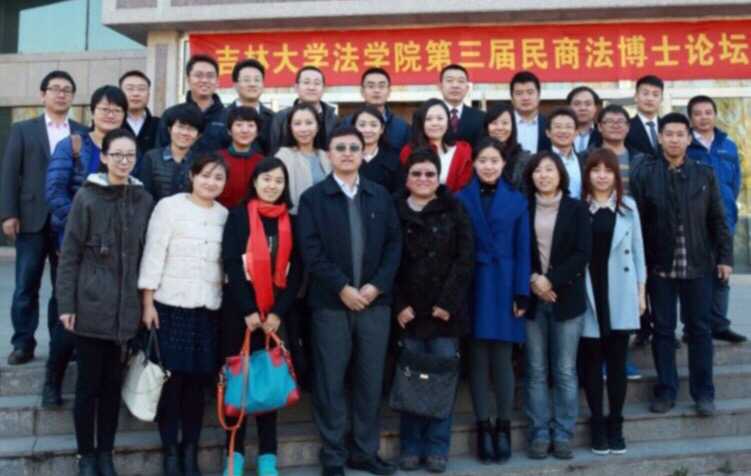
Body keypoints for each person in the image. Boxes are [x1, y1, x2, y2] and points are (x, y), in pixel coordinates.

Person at [297, 127, 402, 476]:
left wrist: (377, 285)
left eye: (353, 148)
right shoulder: (314, 198)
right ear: (328, 154)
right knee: (330, 381)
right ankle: (333, 454)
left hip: (374, 304)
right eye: (339, 148)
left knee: (370, 380)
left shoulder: (379, 195)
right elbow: (310, 249)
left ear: (362, 153)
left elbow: (394, 245)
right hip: (331, 303)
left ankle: (364, 451)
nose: (346, 153)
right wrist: (342, 286)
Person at [55, 128, 153, 476]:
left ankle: (105, 453)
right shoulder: (87, 197)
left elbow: (148, 254)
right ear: (105, 157)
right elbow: (70, 255)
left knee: (112, 387)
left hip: (126, 311)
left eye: (130, 155)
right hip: (91, 304)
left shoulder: (143, 199)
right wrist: (66, 304)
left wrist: (145, 304)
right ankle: (86, 455)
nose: (124, 161)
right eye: (117, 155)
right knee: (87, 387)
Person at [630, 113, 733, 418]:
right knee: (663, 331)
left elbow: (718, 219)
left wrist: (725, 258)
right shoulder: (646, 174)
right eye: (669, 134)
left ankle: (704, 393)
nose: (674, 139)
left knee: (700, 329)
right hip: (660, 267)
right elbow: (639, 225)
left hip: (698, 265)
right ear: (660, 138)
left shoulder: (704, 174)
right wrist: (640, 267)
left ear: (689, 139)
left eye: (680, 134)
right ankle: (666, 391)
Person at [138, 153, 229, 476]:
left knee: (196, 385)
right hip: (170, 307)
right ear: (192, 176)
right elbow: (154, 253)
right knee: (171, 383)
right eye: (205, 175)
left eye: (218, 178)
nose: (211, 183)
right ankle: (170, 452)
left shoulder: (224, 215)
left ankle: (190, 451)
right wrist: (147, 302)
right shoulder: (169, 207)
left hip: (207, 310)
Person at [44, 85, 128, 406]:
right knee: (69, 312)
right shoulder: (74, 145)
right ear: (92, 112)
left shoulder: (125, 148)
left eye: (116, 110)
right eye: (104, 108)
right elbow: (54, 192)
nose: (110, 114)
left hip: (114, 250)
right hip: (76, 244)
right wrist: (81, 227)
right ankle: (53, 378)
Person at [221, 157, 303, 476]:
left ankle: (268, 459)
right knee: (239, 387)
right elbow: (231, 263)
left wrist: (277, 313)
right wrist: (249, 310)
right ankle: (234, 457)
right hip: (240, 315)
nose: (272, 185)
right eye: (266, 179)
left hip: (276, 317)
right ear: (254, 182)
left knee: (270, 386)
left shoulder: (291, 221)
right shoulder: (238, 216)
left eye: (279, 181)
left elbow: (296, 271)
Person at [394, 148, 474, 473]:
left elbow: (465, 258)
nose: (423, 179)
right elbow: (387, 261)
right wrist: (399, 304)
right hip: (409, 315)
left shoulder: (454, 208)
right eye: (416, 173)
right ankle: (411, 446)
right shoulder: (395, 210)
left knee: (441, 383)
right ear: (407, 178)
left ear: (438, 177)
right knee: (411, 383)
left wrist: (447, 303)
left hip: (445, 315)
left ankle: (438, 447)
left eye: (429, 173)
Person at [1, 71, 85, 369]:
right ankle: (23, 343)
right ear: (43, 94)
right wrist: (8, 213)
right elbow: (10, 172)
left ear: (73, 97)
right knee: (26, 285)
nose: (61, 94)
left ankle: (61, 344)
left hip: (68, 222)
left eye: (67, 90)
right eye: (55, 89)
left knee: (64, 287)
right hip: (31, 218)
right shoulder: (23, 130)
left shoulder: (82, 132)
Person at [456, 137, 530, 464]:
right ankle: (483, 426)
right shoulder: (460, 198)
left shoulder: (517, 200)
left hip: (504, 284)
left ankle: (503, 426)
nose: (488, 166)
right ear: (474, 163)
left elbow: (523, 249)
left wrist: (521, 292)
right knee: (476, 359)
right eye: (483, 160)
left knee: (502, 358)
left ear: (503, 164)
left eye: (494, 161)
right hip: (472, 284)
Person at [523, 151, 591, 461]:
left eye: (549, 169)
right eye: (538, 170)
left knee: (564, 370)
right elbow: (517, 250)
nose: (543, 175)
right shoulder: (523, 208)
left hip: (568, 299)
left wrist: (551, 280)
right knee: (536, 370)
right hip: (533, 299)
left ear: (560, 174)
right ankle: (539, 432)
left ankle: (563, 433)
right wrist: (534, 280)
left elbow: (582, 253)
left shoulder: (577, 209)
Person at [579, 148, 646, 456]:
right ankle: (597, 424)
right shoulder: (578, 208)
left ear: (616, 175)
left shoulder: (629, 207)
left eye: (608, 170)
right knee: (592, 362)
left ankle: (616, 424)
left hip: (620, 291)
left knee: (617, 364)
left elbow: (639, 252)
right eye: (596, 170)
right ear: (588, 174)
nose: (602, 176)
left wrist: (641, 293)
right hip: (588, 292)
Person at [687, 95, 746, 344]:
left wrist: (728, 206)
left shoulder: (727, 145)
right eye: (698, 113)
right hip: (695, 222)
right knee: (695, 277)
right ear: (691, 118)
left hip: (724, 219)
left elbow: (735, 182)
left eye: (708, 112)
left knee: (722, 273)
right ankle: (693, 327)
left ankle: (719, 324)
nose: (703, 117)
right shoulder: (686, 145)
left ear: (715, 115)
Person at [158, 54, 227, 154]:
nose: (204, 80)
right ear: (188, 79)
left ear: (217, 81)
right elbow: (161, 152)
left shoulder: (228, 116)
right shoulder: (171, 114)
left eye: (210, 76)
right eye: (198, 75)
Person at [400, 98, 472, 192]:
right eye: (428, 119)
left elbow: (465, 188)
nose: (435, 123)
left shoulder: (463, 150)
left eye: (440, 118)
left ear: (448, 121)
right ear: (421, 123)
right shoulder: (409, 151)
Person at [138, 103, 204, 201]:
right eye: (180, 126)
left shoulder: (202, 161)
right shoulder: (151, 157)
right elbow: (144, 194)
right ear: (170, 129)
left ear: (198, 135)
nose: (185, 133)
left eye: (191, 129)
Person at [274, 102, 331, 213]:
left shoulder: (327, 157)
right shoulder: (282, 157)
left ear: (318, 126)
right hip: (293, 217)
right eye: (297, 124)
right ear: (290, 128)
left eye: (309, 123)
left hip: (326, 216)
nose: (303, 129)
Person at [269, 66, 338, 153]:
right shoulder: (281, 117)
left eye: (317, 83)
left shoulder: (333, 119)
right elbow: (274, 150)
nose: (311, 87)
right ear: (296, 87)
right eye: (306, 82)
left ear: (323, 88)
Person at [341, 68, 410, 153]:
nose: (376, 90)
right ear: (362, 91)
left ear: (389, 91)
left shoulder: (403, 128)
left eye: (381, 86)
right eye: (371, 86)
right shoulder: (347, 123)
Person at [594, 104, 650, 196]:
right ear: (599, 127)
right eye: (610, 121)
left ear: (628, 127)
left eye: (620, 121)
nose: (615, 126)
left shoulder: (642, 160)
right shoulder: (586, 157)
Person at [216, 106, 265, 208]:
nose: (245, 130)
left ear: (257, 132)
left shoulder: (263, 163)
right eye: (239, 125)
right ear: (229, 130)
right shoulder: (216, 159)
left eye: (251, 125)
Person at [352, 105, 403, 194]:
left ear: (382, 129)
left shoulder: (394, 158)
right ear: (354, 128)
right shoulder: (346, 156)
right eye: (362, 125)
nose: (367, 130)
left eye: (373, 125)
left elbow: (399, 192)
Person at [229, 59, 275, 154]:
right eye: (246, 80)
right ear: (235, 85)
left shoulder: (273, 118)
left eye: (257, 80)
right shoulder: (222, 116)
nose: (252, 84)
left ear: (263, 85)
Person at [482, 102, 532, 189]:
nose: (499, 127)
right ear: (486, 126)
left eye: (505, 123)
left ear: (513, 126)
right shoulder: (477, 156)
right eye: (494, 123)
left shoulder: (525, 159)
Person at [119, 70, 160, 170]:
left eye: (141, 89)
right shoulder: (113, 123)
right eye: (130, 89)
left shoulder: (160, 124)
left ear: (149, 94)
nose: (136, 93)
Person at [438, 64, 485, 147]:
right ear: (440, 87)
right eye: (449, 80)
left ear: (467, 88)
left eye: (461, 81)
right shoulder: (427, 116)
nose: (455, 85)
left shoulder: (481, 117)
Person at [546, 107, 585, 198]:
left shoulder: (585, 161)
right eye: (558, 127)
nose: (563, 131)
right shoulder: (539, 161)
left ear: (576, 132)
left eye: (568, 127)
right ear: (548, 133)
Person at [511, 71, 550, 154]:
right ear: (512, 98)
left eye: (530, 92)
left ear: (539, 95)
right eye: (519, 93)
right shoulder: (504, 125)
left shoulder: (549, 124)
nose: (525, 98)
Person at [625, 75, 663, 157]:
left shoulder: (666, 126)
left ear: (661, 99)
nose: (650, 98)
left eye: (655, 95)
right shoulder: (626, 127)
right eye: (645, 94)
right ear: (636, 97)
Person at [566, 86, 602, 154]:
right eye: (577, 104)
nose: (582, 108)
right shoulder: (559, 133)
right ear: (569, 108)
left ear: (595, 108)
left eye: (588, 104)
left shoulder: (602, 133)